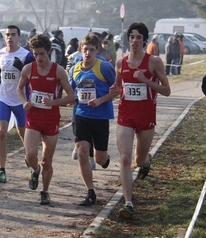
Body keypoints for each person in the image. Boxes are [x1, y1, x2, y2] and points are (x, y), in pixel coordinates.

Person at [110, 22, 171, 219]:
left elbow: (167, 90)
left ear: (144, 40)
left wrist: (146, 80)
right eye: (132, 37)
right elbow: (119, 88)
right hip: (125, 116)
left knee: (139, 159)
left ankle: (146, 163)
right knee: (126, 158)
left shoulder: (154, 62)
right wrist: (113, 91)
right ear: (128, 40)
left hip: (146, 117)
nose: (134, 41)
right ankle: (128, 203)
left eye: (138, 37)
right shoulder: (121, 63)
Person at [17, 34, 75, 205]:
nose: (39, 58)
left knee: (47, 161)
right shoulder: (28, 69)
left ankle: (45, 191)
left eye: (41, 54)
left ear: (48, 52)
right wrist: (24, 102)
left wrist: (54, 102)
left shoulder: (58, 71)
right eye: (35, 54)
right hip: (33, 117)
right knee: (30, 155)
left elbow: (71, 96)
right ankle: (35, 170)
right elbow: (20, 89)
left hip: (51, 120)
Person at [69, 33, 116, 206]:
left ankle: (105, 158)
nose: (87, 53)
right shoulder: (74, 68)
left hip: (101, 117)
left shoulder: (104, 67)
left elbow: (117, 89)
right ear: (80, 50)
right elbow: (70, 90)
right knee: (82, 153)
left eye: (91, 50)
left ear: (97, 51)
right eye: (85, 49)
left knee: (99, 160)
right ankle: (90, 192)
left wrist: (99, 100)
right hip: (82, 115)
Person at [0, 25, 35, 183]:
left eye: (13, 35)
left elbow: (33, 76)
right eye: (7, 35)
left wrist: (22, 69)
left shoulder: (26, 55)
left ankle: (28, 155)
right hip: (3, 97)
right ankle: (1, 170)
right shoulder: (0, 53)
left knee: (23, 132)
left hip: (20, 100)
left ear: (19, 38)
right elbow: (1, 69)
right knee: (2, 132)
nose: (10, 37)